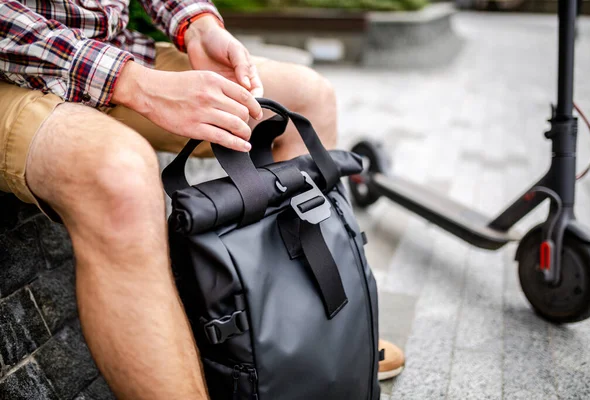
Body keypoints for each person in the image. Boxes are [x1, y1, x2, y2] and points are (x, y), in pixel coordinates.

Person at [0, 1, 404, 398]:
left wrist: (198, 24)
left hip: (112, 50)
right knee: (119, 174)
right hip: (14, 72)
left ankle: (328, 335)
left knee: (307, 98)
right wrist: (132, 83)